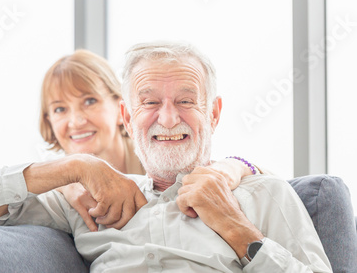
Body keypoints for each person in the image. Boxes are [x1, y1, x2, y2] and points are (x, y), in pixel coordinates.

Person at [0, 42, 331, 271]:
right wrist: (74, 166)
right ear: (127, 116)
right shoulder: (86, 200)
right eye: (149, 103)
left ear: (213, 113)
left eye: (185, 101)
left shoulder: (264, 195)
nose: (167, 117)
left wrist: (238, 231)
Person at [37, 49, 263, 231]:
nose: (75, 121)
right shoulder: (62, 187)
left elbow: (273, 188)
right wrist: (62, 181)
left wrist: (235, 165)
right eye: (59, 109)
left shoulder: (163, 156)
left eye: (89, 101)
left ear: (120, 110)